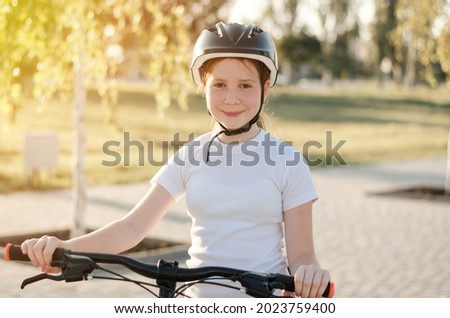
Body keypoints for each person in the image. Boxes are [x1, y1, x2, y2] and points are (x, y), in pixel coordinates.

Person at [20, 22, 330, 298]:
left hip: (264, 300)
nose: (231, 98)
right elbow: (131, 228)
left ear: (265, 89)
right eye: (219, 85)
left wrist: (309, 274)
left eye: (245, 86)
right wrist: (64, 248)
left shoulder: (286, 161)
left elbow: (303, 254)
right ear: (203, 88)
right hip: (194, 300)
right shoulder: (190, 157)